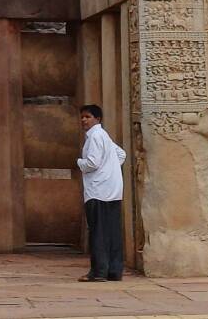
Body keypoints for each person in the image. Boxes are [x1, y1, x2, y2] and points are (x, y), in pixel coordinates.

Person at [76, 104, 125, 282]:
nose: (84, 120)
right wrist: (109, 169)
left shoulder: (95, 136)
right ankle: (114, 270)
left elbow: (92, 163)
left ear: (97, 119)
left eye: (87, 117)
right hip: (112, 190)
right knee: (112, 232)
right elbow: (121, 155)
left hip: (98, 191)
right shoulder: (103, 135)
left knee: (98, 233)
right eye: (82, 117)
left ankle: (98, 272)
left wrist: (80, 163)